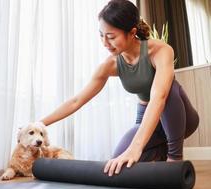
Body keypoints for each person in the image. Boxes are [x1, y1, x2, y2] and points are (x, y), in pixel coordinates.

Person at [33, 0, 199, 176]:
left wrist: (136, 147)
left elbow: (160, 97)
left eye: (111, 37)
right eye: (101, 35)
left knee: (168, 91)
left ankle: (174, 158)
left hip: (179, 117)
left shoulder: (159, 50)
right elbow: (76, 101)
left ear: (132, 32)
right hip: (147, 119)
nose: (105, 42)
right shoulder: (110, 65)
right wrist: (39, 124)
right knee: (117, 163)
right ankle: (160, 152)